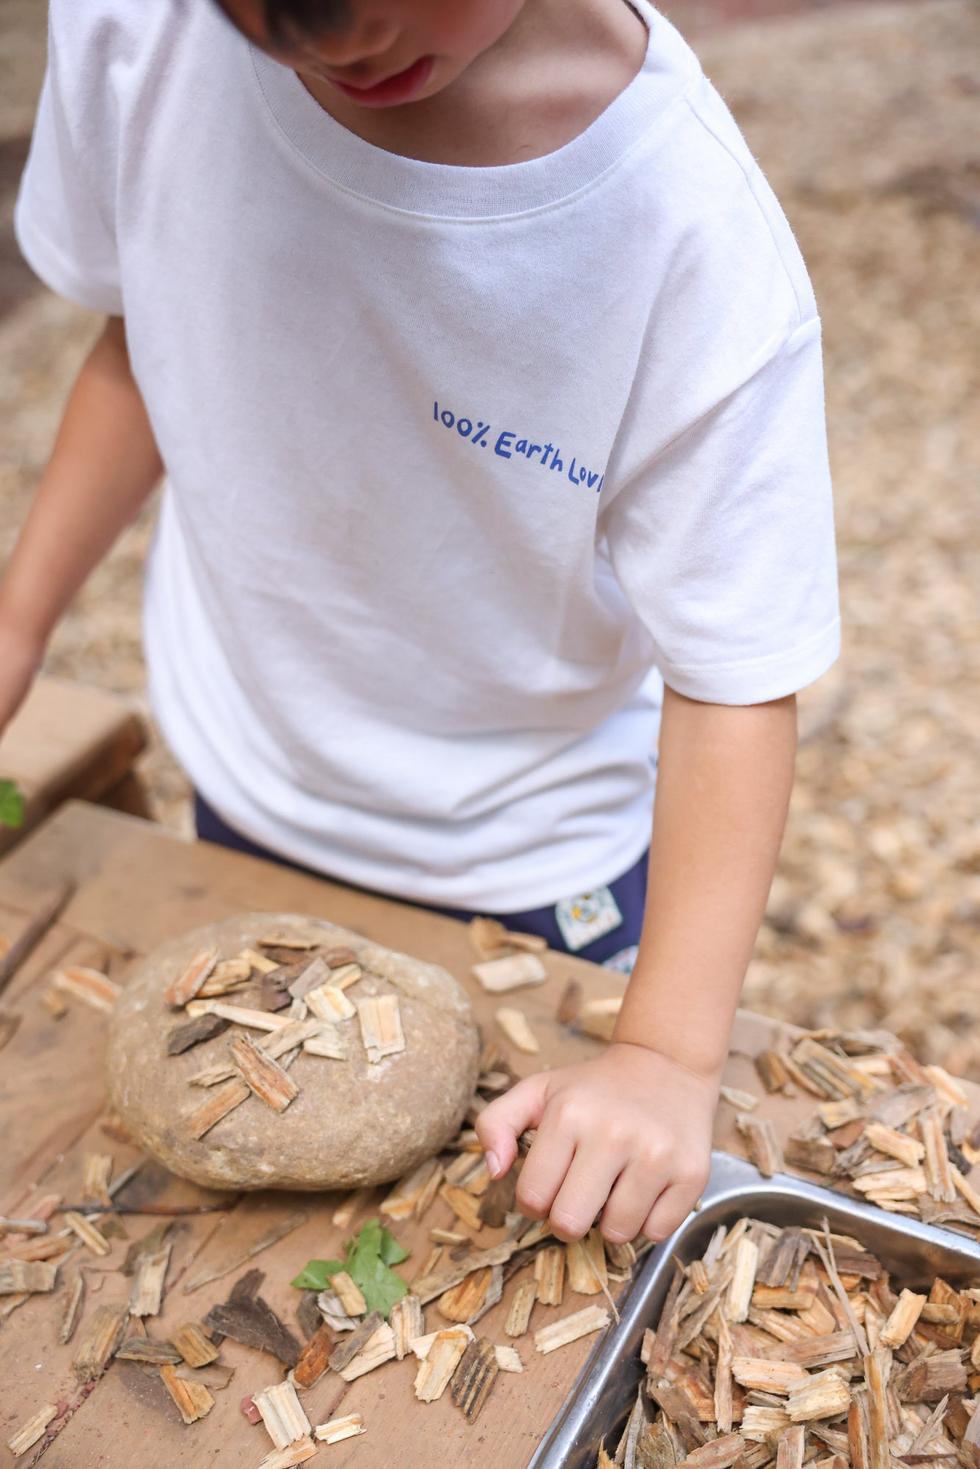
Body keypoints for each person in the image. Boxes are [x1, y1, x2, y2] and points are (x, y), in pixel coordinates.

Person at [6, 0, 839, 1247]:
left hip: (533, 863)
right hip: (249, 782)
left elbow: (731, 676)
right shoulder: (138, 28)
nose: (338, 52)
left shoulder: (686, 236)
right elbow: (148, 331)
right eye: (268, 23)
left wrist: (664, 1052)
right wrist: (19, 618)